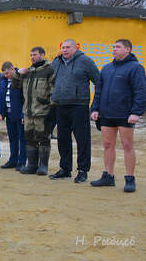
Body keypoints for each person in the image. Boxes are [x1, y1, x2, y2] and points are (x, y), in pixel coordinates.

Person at [90, 39, 146, 192]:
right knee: (108, 145)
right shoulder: (107, 68)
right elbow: (99, 90)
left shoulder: (136, 68)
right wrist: (94, 108)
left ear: (127, 50)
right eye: (113, 47)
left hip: (125, 114)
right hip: (107, 113)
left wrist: (136, 112)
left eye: (117, 47)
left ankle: (130, 179)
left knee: (127, 145)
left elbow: (141, 91)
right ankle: (108, 176)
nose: (114, 49)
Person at [49, 39, 100, 183]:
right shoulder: (56, 62)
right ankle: (65, 169)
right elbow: (51, 80)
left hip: (79, 105)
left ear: (75, 48)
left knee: (82, 139)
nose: (64, 50)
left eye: (67, 47)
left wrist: (96, 105)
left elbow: (98, 81)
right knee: (63, 139)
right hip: (60, 105)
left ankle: (83, 170)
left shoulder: (85, 61)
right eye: (63, 47)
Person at [13, 47, 55, 176]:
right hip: (28, 112)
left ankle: (43, 166)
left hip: (42, 112)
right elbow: (15, 86)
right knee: (29, 138)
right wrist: (18, 74)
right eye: (31, 55)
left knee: (43, 138)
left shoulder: (50, 70)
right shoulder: (28, 71)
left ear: (42, 55)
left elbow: (54, 92)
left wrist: (52, 111)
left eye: (35, 54)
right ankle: (31, 165)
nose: (32, 57)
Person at [0, 61, 27, 171]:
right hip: (9, 115)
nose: (6, 75)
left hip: (19, 115)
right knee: (12, 138)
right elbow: (1, 97)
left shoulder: (21, 79)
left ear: (13, 70)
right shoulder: (4, 81)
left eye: (7, 73)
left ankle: (22, 161)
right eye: (4, 74)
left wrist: (24, 115)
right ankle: (13, 160)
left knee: (22, 139)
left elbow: (25, 98)